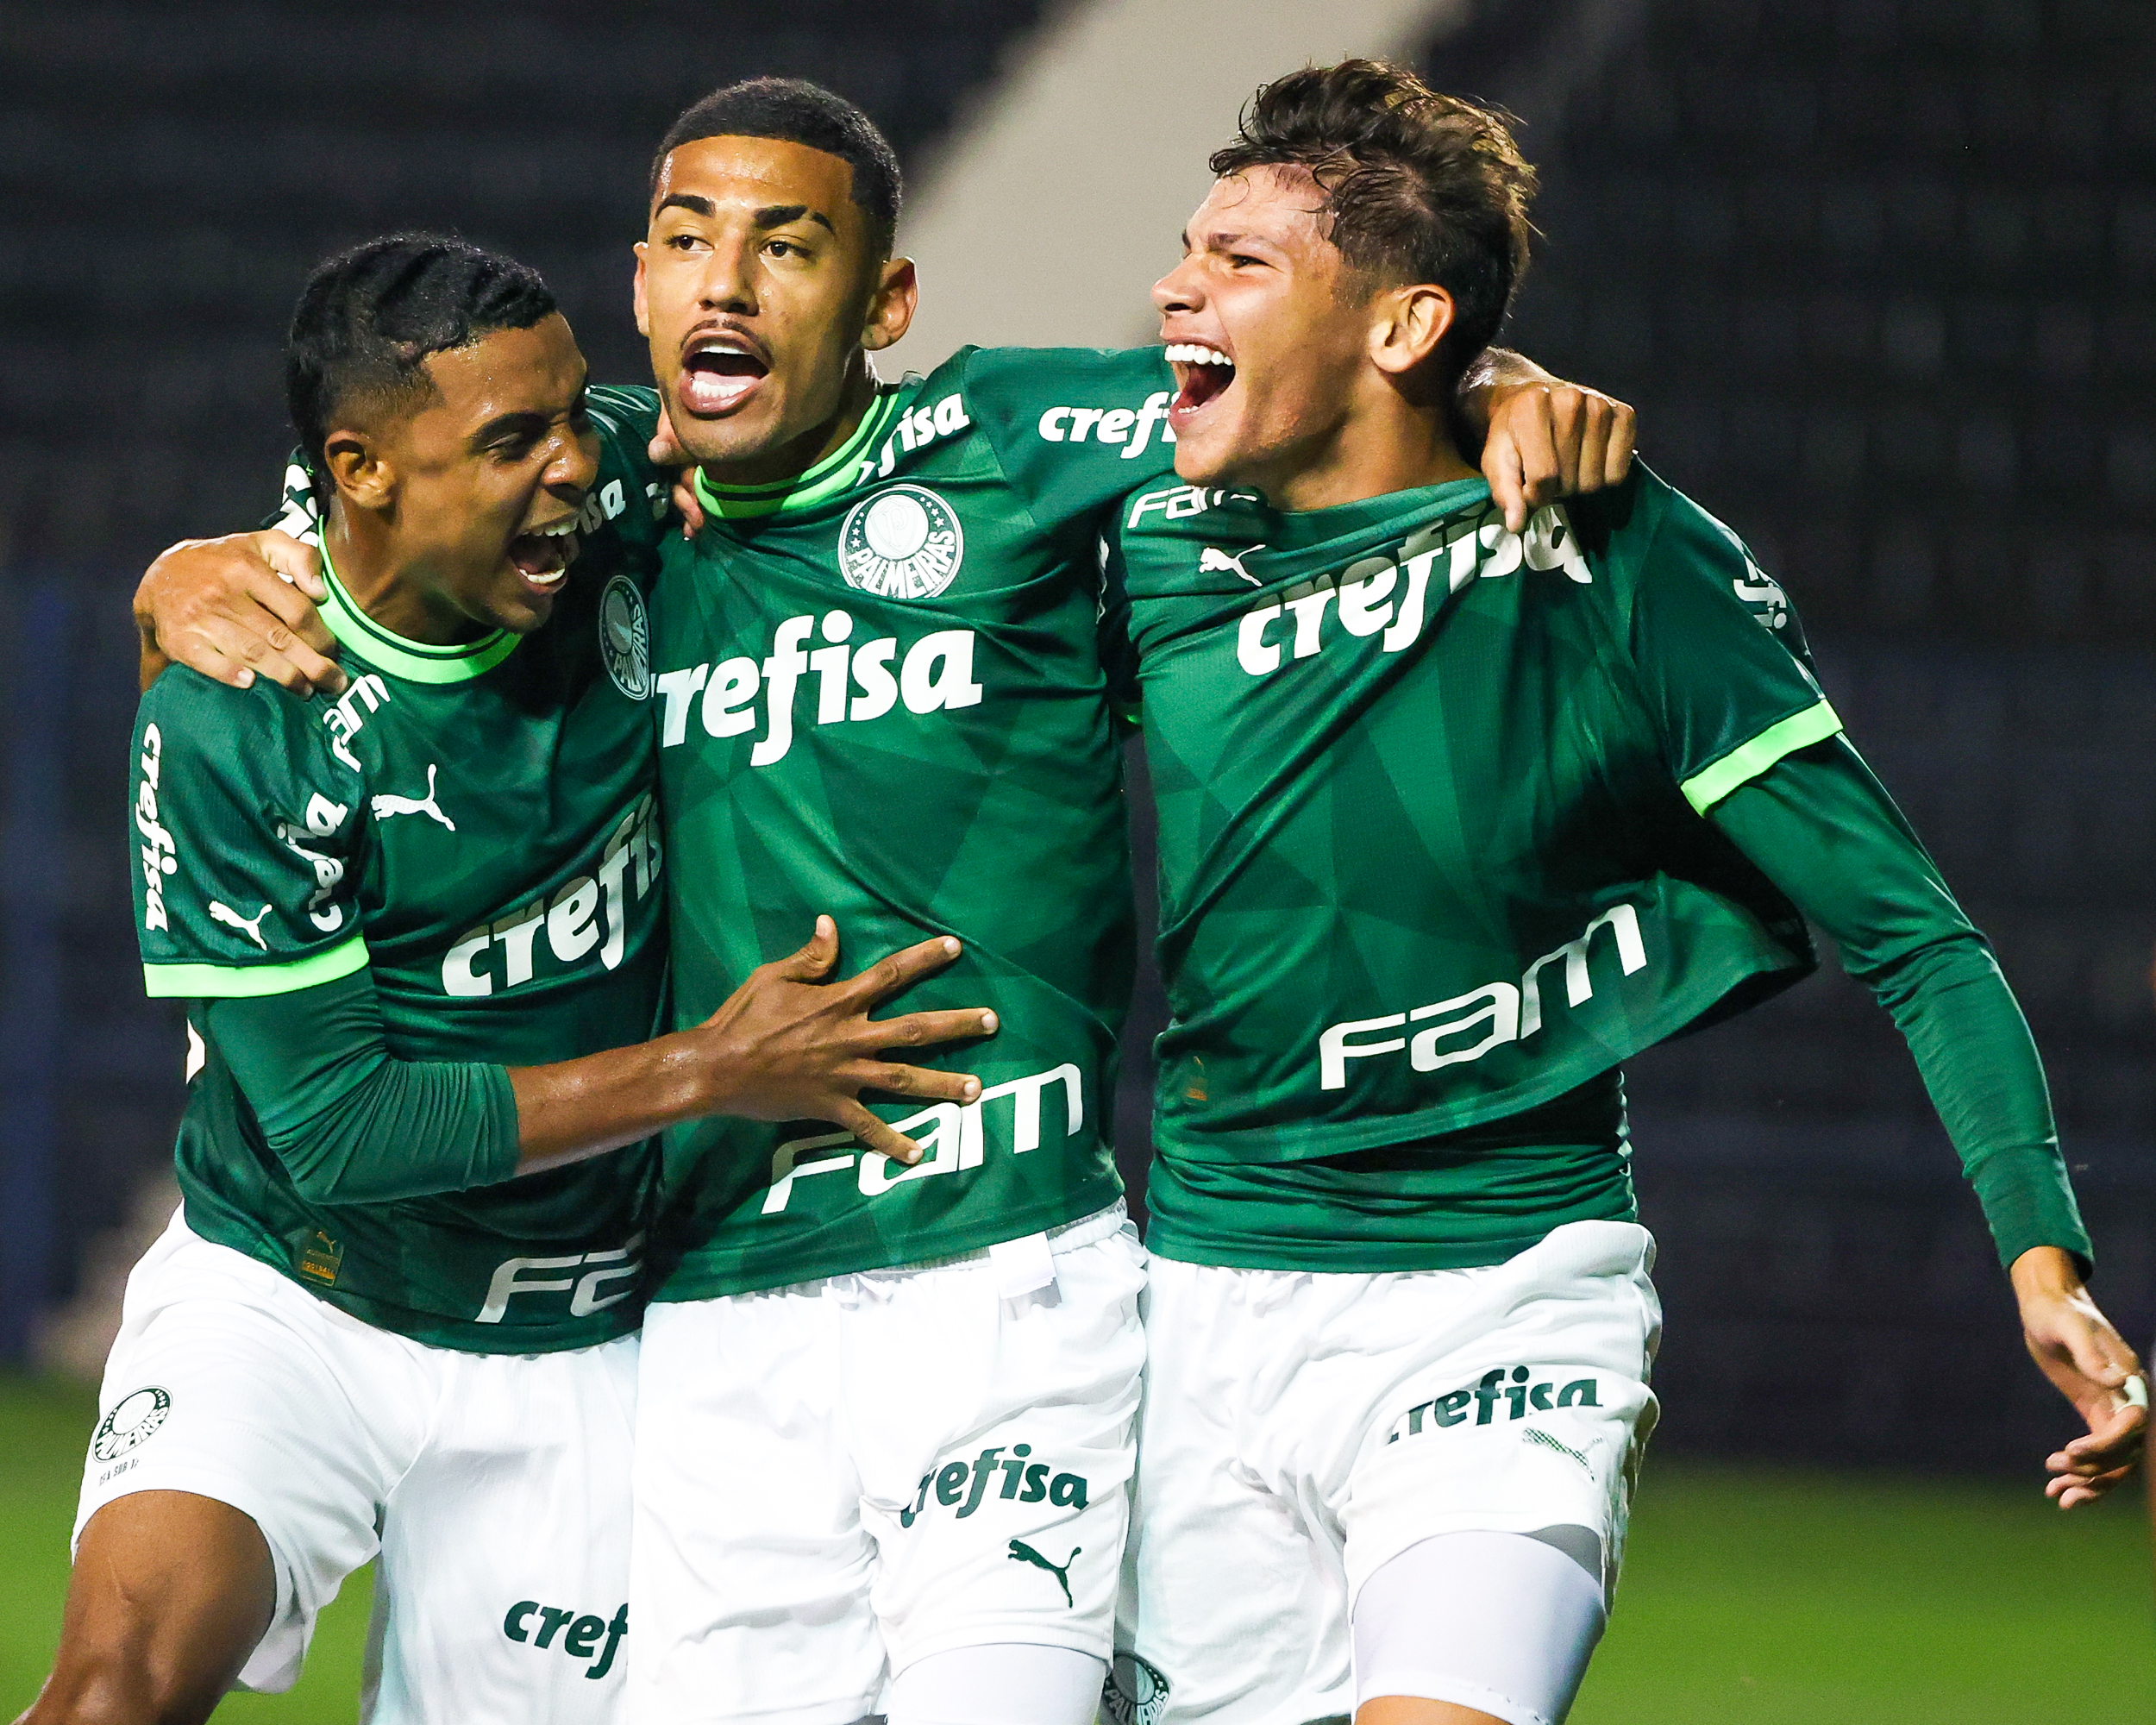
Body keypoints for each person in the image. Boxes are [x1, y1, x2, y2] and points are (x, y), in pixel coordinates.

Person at [128, 81, 1629, 1725]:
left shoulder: (987, 447)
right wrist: (188, 567)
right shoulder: (590, 491)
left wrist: (1495, 376)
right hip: (689, 1321)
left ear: (886, 303)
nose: (726, 283)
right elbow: (369, 506)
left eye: (785, 247)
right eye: (690, 241)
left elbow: (1303, 382)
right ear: (640, 287)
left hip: (1005, 1281)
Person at [1100, 61, 2147, 1725]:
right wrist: (1508, 373)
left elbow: (1914, 935)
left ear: (1397, 325)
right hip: (1206, 1306)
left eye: (1238, 262)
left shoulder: (1614, 551)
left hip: (1502, 1299)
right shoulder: (1143, 537)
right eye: (1188, 250)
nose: (1174, 289)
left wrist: (2045, 1262)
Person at [38, 234, 991, 1725]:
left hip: (572, 1329)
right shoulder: (244, 714)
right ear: (360, 470)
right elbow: (343, 1133)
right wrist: (716, 1069)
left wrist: (1499, 381)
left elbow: (937, 434)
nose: (573, 462)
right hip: (299, 1294)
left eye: (567, 412)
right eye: (510, 439)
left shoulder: (611, 485)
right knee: (116, 1693)